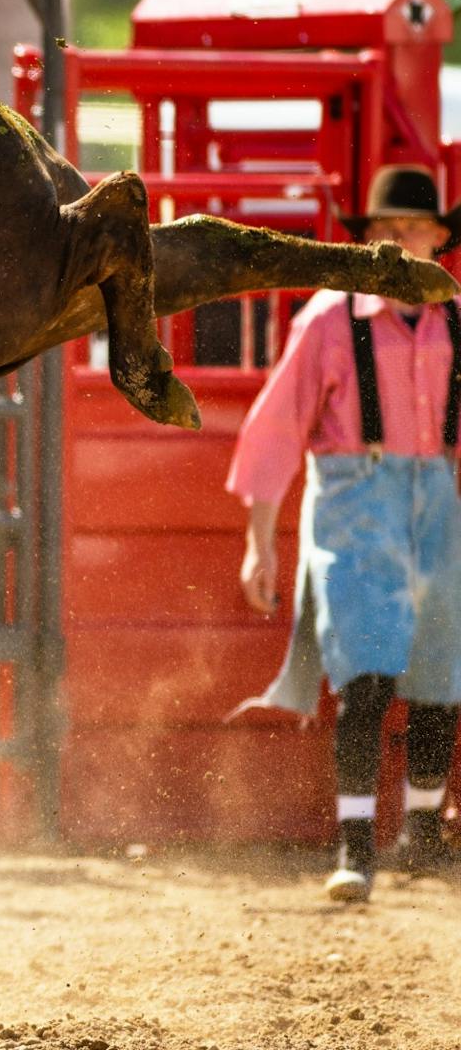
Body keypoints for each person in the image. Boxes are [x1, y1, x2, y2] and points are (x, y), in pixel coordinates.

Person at [227, 164, 461, 903]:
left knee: (443, 672)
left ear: (437, 240)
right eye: (388, 230)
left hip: (437, 497)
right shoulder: (329, 319)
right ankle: (355, 848)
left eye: (414, 229)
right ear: (366, 243)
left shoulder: (457, 317)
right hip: (357, 497)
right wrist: (259, 541)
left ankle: (421, 833)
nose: (400, 242)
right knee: (366, 672)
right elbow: (274, 431)